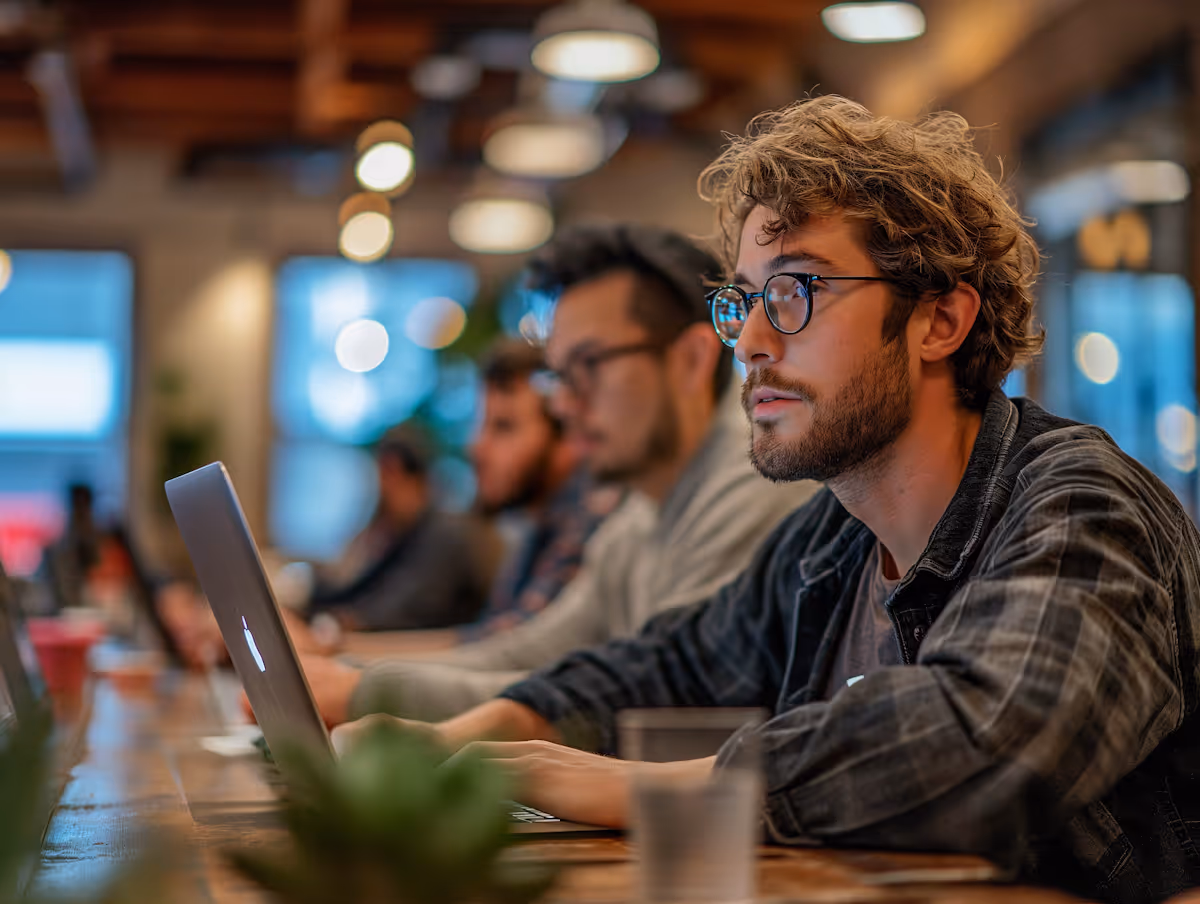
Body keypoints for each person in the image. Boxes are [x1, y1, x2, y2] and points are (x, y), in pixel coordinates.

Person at [334, 97, 1200, 904]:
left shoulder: (1082, 507)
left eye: (795, 292)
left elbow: (987, 742)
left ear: (940, 321)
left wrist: (637, 785)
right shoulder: (836, 535)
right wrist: (489, 730)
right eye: (743, 300)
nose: (748, 340)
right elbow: (668, 663)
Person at [300, 224, 818, 725]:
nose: (564, 405)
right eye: (558, 375)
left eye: (588, 366)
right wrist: (346, 674)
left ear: (691, 359)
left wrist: (366, 690)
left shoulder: (754, 487)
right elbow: (528, 655)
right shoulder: (639, 514)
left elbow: (658, 710)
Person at [465, 338, 623, 637]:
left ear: (567, 437)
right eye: (481, 425)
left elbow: (512, 649)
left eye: (503, 427)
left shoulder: (592, 514)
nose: (477, 448)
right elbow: (488, 638)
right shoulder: (540, 523)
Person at [304, 423, 498, 632]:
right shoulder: (409, 528)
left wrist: (328, 629)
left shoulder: (444, 534)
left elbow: (389, 615)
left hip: (421, 653)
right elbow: (356, 593)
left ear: (391, 468)